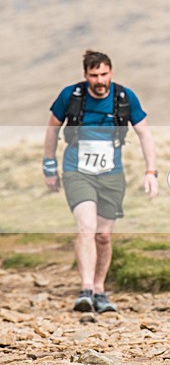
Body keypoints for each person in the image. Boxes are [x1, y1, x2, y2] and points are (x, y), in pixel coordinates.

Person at [43, 50, 158, 313]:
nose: (99, 80)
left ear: (111, 73)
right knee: (86, 227)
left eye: (104, 74)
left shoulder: (124, 98)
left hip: (111, 175)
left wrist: (151, 171)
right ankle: (84, 291)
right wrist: (49, 165)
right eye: (94, 75)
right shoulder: (70, 97)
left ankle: (99, 290)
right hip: (77, 171)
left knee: (104, 235)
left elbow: (145, 135)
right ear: (85, 75)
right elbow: (52, 130)